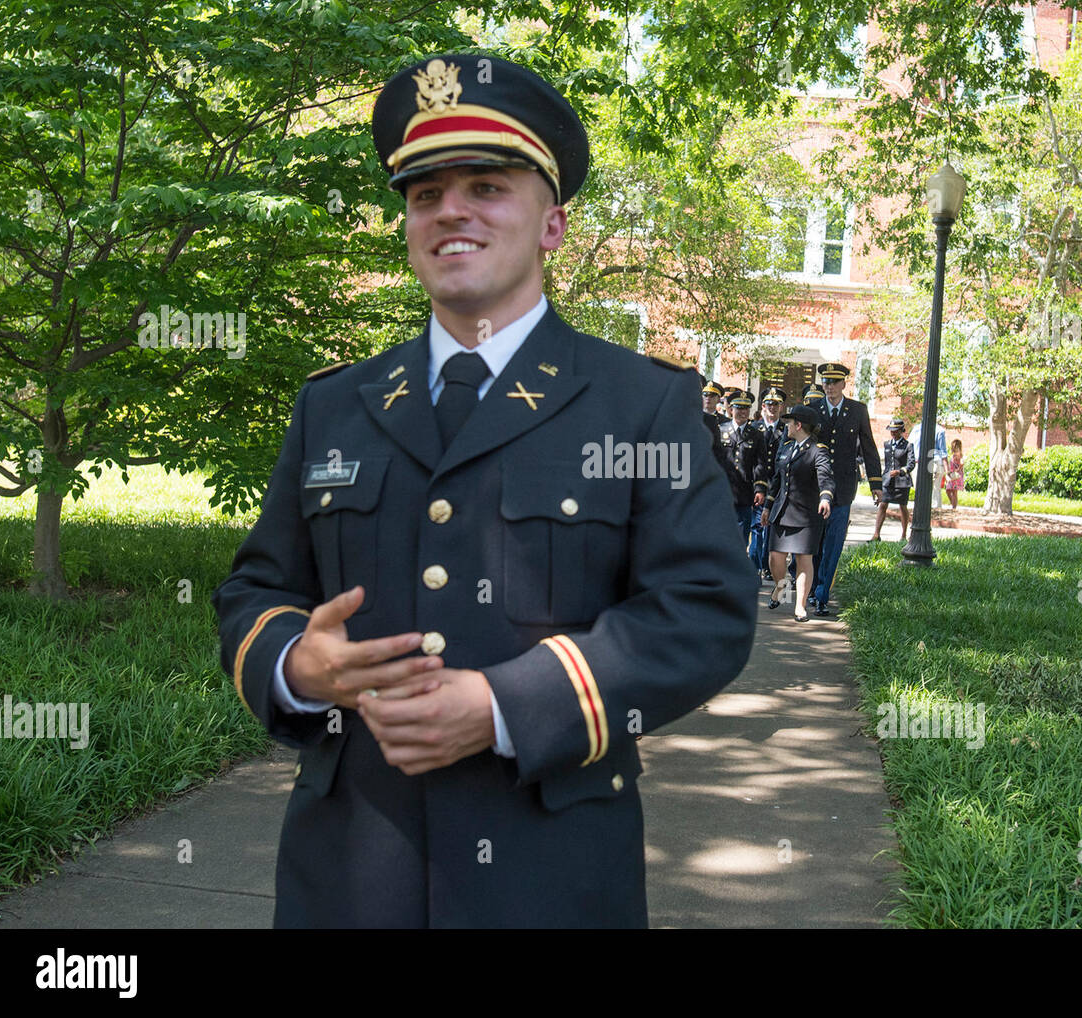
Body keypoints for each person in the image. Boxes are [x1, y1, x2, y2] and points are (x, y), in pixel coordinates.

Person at [210, 53, 757, 929]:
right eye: (424, 194)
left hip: (551, 877)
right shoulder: (334, 405)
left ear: (553, 225)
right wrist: (296, 665)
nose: (450, 210)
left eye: (488, 186)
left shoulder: (639, 403)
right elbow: (258, 590)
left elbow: (704, 610)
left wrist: (507, 705)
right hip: (350, 872)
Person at [809, 363, 882, 617]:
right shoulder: (812, 409)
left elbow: (869, 448)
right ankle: (812, 587)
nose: (829, 387)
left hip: (843, 488)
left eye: (833, 382)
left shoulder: (857, 411)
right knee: (815, 543)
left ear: (843, 384)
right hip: (815, 488)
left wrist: (876, 484)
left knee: (834, 543)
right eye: (825, 382)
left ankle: (822, 595)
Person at [760, 404, 833, 623]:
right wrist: (767, 507)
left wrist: (825, 497)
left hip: (806, 515)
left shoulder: (817, 449)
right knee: (775, 558)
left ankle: (800, 606)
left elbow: (825, 475)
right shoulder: (787, 447)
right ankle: (781, 587)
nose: (787, 427)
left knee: (804, 559)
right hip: (782, 512)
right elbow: (777, 480)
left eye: (790, 423)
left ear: (798, 425)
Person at [749, 386, 788, 576]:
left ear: (781, 407)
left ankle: (767, 566)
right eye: (769, 404)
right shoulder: (754, 428)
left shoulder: (787, 429)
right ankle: (755, 565)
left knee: (772, 527)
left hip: (779, 486)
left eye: (776, 404)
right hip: (759, 484)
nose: (772, 407)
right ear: (763, 406)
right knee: (757, 527)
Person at [721, 390, 760, 544]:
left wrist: (760, 489)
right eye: (739, 408)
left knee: (741, 537)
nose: (743, 412)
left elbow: (760, 464)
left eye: (746, 408)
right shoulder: (720, 430)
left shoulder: (756, 434)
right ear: (731, 409)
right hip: (723, 492)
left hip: (745, 492)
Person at [873, 419, 914, 541]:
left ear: (901, 431)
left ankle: (903, 535)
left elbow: (911, 464)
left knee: (903, 506)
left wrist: (900, 471)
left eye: (895, 431)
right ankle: (876, 534)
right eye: (891, 431)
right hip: (887, 480)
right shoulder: (887, 444)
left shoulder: (908, 446)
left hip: (902, 481)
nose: (893, 433)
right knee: (883, 504)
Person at [909, 420, 948, 510]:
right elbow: (943, 452)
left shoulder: (916, 429)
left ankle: (921, 510)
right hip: (933, 462)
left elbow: (910, 447)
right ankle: (934, 511)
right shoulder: (939, 430)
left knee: (920, 489)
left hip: (919, 462)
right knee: (935, 489)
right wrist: (947, 470)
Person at [942, 438, 965, 510]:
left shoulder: (958, 455)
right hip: (952, 475)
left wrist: (958, 469)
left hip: (956, 475)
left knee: (954, 491)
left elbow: (962, 462)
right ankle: (953, 504)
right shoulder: (954, 455)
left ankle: (954, 507)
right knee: (948, 490)